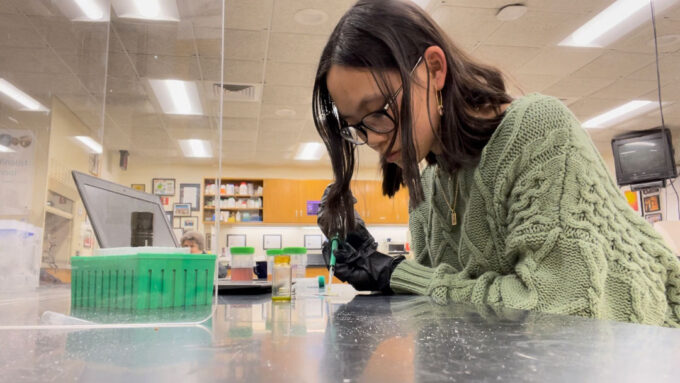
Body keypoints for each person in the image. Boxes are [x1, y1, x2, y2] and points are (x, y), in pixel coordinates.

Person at [313, 0, 680, 327]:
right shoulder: (428, 186)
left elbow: (560, 311)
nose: (373, 138)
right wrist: (385, 272)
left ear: (434, 69)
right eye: (356, 126)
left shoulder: (537, 130)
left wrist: (395, 274)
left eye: (379, 110)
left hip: (651, 349)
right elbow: (442, 307)